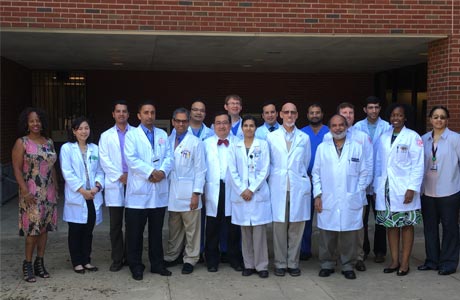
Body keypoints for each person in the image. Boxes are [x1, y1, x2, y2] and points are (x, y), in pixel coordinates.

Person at [313, 114, 369, 280]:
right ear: (329, 128)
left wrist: (357, 192)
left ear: (346, 127)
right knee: (326, 234)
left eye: (341, 125)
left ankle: (347, 265)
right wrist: (318, 195)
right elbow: (316, 173)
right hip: (327, 197)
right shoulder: (323, 148)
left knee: (349, 235)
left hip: (350, 197)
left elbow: (364, 172)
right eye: (334, 125)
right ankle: (327, 264)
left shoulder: (356, 147)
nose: (338, 128)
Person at [124, 101, 173, 280]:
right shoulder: (131, 135)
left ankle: (157, 264)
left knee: (156, 232)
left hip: (157, 192)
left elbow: (169, 156)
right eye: (146, 112)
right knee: (135, 234)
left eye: (152, 112)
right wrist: (151, 172)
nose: (149, 116)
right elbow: (131, 159)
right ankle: (136, 266)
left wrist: (162, 172)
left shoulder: (162, 134)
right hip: (138, 193)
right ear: (139, 115)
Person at [374, 103, 424, 276]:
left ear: (406, 117)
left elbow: (418, 165)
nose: (396, 118)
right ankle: (394, 261)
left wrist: (412, 188)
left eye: (400, 115)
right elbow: (379, 164)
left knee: (406, 226)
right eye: (393, 115)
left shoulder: (413, 137)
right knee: (391, 226)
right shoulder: (383, 137)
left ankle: (404, 263)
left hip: (404, 189)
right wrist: (376, 186)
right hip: (386, 189)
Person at [12, 107, 58, 283]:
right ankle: (28, 264)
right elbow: (16, 168)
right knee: (33, 231)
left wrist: (56, 189)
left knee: (44, 229)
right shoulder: (22, 142)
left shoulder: (49, 142)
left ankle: (40, 262)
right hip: (31, 193)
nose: (35, 123)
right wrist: (24, 190)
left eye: (38, 120)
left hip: (49, 193)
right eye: (32, 121)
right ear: (27, 123)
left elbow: (52, 166)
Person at [267, 102, 311, 277]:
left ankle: (293, 263)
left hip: (297, 186)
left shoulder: (304, 138)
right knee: (279, 227)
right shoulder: (272, 137)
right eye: (287, 112)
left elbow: (305, 162)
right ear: (280, 114)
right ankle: (279, 263)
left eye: (293, 112)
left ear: (297, 115)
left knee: (296, 226)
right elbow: (269, 162)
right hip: (278, 186)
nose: (290, 115)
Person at [330, 102, 373, 272]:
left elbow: (368, 165)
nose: (347, 115)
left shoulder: (362, 137)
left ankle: (358, 257)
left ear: (354, 116)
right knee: (335, 224)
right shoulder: (329, 136)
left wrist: (361, 188)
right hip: (334, 192)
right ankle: (335, 257)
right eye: (344, 113)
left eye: (350, 113)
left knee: (357, 226)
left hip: (356, 191)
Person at [228, 115, 272, 278]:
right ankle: (249, 265)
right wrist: (242, 190)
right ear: (241, 128)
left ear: (256, 128)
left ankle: (262, 266)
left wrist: (251, 189)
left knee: (259, 233)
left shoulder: (263, 145)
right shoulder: (235, 146)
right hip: (241, 195)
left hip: (257, 194)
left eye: (251, 125)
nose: (248, 128)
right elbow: (232, 170)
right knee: (245, 232)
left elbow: (265, 169)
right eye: (245, 125)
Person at [418, 106, 460, 275]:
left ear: (447, 120)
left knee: (450, 228)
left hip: (449, 191)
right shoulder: (423, 139)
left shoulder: (455, 139)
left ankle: (448, 263)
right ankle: (432, 261)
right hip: (428, 191)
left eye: (442, 117)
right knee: (430, 228)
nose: (439, 120)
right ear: (430, 119)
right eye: (435, 117)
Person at [164, 108, 206, 275]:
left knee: (192, 230)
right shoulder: (166, 140)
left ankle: (190, 258)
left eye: (184, 121)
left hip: (190, 193)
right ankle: (173, 256)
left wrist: (196, 193)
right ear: (173, 122)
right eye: (178, 121)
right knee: (174, 229)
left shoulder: (195, 142)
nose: (180, 124)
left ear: (188, 122)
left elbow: (200, 170)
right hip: (172, 193)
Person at [60, 117, 104, 274]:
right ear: (73, 131)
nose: (83, 131)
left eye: (86, 128)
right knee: (76, 231)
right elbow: (67, 172)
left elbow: (100, 170)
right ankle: (77, 262)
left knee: (88, 231)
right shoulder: (67, 148)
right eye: (80, 128)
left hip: (92, 195)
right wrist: (82, 190)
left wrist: (97, 186)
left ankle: (86, 260)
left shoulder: (95, 148)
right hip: (78, 196)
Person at [203, 111, 243, 272]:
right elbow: (200, 168)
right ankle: (212, 260)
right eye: (218, 123)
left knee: (233, 226)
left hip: (233, 188)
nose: (222, 126)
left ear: (230, 125)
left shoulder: (238, 143)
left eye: (225, 122)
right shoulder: (205, 143)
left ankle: (234, 258)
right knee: (212, 226)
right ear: (213, 125)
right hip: (212, 188)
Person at [354, 96, 391, 263]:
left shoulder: (387, 127)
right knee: (361, 219)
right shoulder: (357, 127)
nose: (373, 110)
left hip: (380, 180)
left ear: (380, 108)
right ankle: (364, 249)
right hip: (361, 180)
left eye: (376, 107)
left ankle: (380, 251)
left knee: (380, 218)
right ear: (365, 110)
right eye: (370, 107)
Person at [98, 100, 131, 272]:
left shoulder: (136, 133)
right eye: (118, 111)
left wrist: (130, 176)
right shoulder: (106, 135)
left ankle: (131, 256)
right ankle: (117, 258)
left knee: (132, 224)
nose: (121, 114)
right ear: (113, 114)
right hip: (116, 182)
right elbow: (104, 160)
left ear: (128, 114)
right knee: (116, 225)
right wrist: (120, 176)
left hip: (134, 182)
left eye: (124, 111)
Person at [300, 103, 329, 261]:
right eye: (312, 113)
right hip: (306, 180)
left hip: (326, 181)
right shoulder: (302, 133)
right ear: (307, 115)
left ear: (322, 114)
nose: (315, 115)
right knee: (306, 218)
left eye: (317, 112)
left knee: (326, 217)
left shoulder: (329, 132)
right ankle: (305, 249)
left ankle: (327, 252)